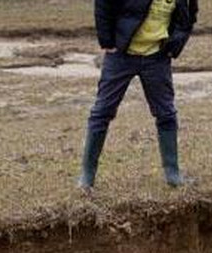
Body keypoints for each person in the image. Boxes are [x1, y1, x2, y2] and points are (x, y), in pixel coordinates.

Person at [78, 0, 199, 190]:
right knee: (101, 112)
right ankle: (87, 176)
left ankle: (173, 174)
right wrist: (106, 40)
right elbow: (103, 4)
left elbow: (189, 15)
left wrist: (175, 44)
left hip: (158, 57)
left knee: (166, 113)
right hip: (121, 55)